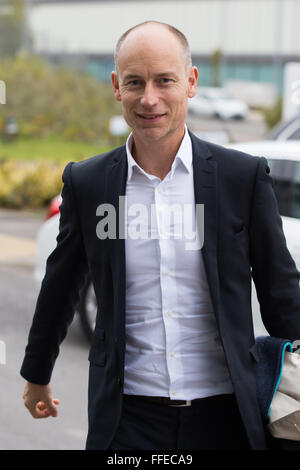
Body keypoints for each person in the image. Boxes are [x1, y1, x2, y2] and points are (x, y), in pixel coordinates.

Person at [21, 21, 300, 451]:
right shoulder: (90, 183)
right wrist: (36, 375)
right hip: (127, 418)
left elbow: (281, 291)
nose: (149, 98)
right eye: (135, 82)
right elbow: (61, 285)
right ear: (117, 86)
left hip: (226, 415)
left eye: (164, 80)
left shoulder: (240, 178)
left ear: (190, 82)